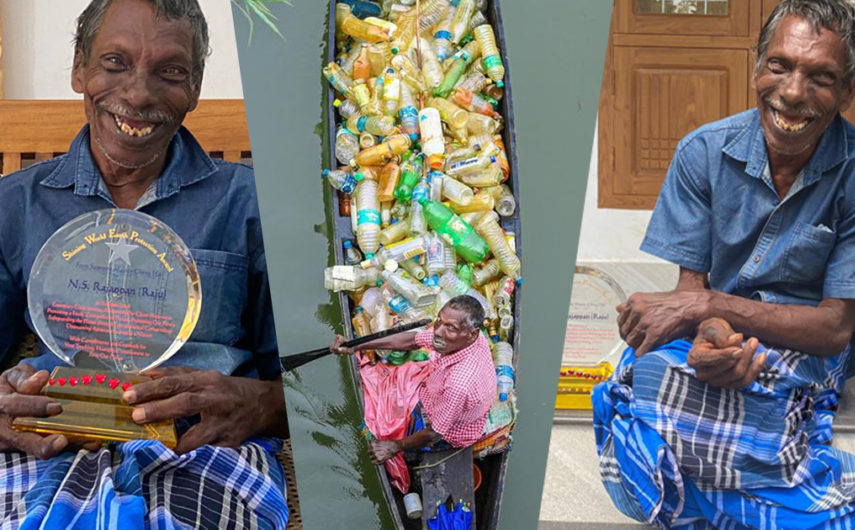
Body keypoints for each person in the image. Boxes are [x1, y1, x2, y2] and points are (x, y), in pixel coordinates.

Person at [596, 0, 855, 527]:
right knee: (642, 380)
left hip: (811, 340)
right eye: (780, 66)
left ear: (848, 91)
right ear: (757, 68)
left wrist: (707, 306)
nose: (794, 94)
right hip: (728, 327)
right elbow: (692, 292)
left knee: (763, 406)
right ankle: (771, 500)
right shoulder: (701, 152)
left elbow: (832, 328)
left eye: (821, 77)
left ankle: (716, 499)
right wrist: (710, 337)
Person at [0, 1, 289, 528]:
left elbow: (313, 385)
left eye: (171, 72)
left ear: (195, 87)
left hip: (201, 448)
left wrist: (263, 404)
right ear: (78, 69)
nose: (138, 94)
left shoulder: (250, 205)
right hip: (48, 444)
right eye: (114, 62)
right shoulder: (15, 206)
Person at [330, 295, 496, 476]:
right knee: (383, 390)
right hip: (435, 388)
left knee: (378, 429)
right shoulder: (463, 338)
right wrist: (357, 345)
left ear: (472, 334)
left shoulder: (459, 384)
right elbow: (412, 341)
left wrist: (395, 446)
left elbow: (434, 433)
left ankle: (410, 452)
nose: (438, 331)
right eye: (439, 320)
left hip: (445, 429)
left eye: (451, 328)